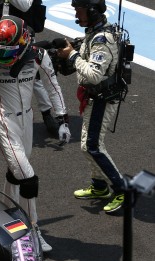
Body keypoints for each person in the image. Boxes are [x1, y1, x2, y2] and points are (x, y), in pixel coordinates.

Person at [0, 15, 70, 252]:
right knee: (28, 177)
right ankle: (32, 230)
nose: (1, 57)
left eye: (7, 51)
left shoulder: (38, 56)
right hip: (3, 119)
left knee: (16, 174)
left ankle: (7, 216)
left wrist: (63, 119)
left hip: (27, 119)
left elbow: (53, 86)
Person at [56, 0, 126, 214]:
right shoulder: (95, 33)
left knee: (92, 146)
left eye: (80, 10)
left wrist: (73, 56)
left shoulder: (102, 40)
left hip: (101, 100)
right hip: (94, 98)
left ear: (93, 12)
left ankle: (122, 189)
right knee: (90, 144)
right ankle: (99, 187)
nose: (76, 13)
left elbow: (94, 75)